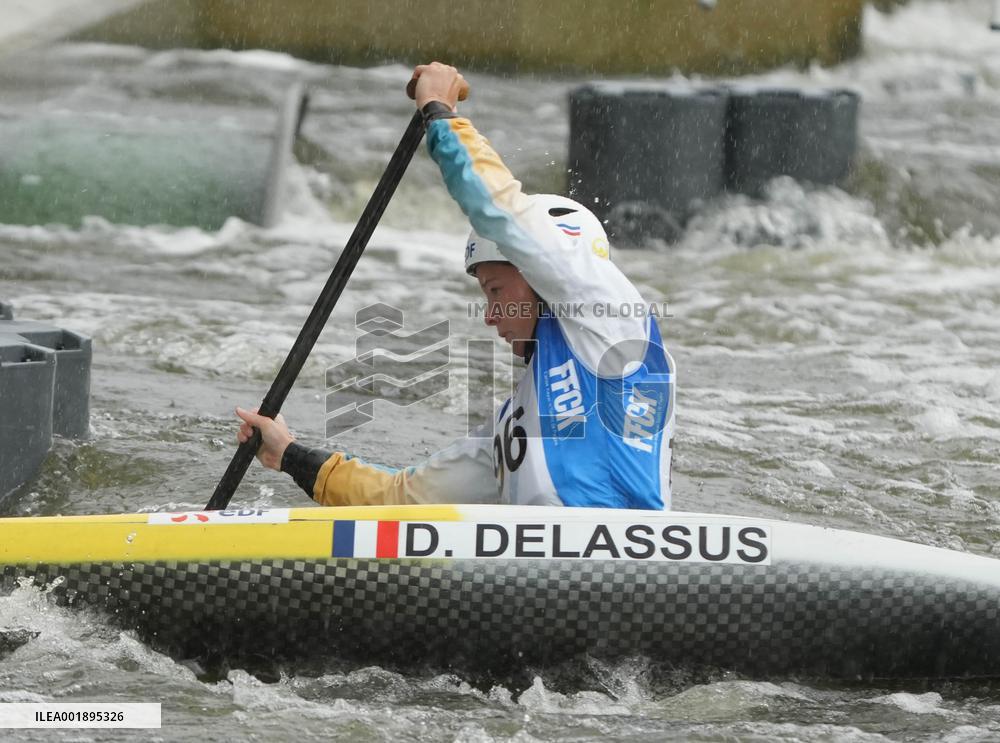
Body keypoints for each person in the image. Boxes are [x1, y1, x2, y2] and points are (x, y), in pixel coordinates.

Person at [236, 62, 675, 510]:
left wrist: (439, 112)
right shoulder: (513, 426)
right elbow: (402, 498)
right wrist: (289, 455)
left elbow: (501, 212)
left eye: (496, 291)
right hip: (548, 573)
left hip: (629, 570)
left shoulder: (611, 314)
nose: (488, 315)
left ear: (541, 275)